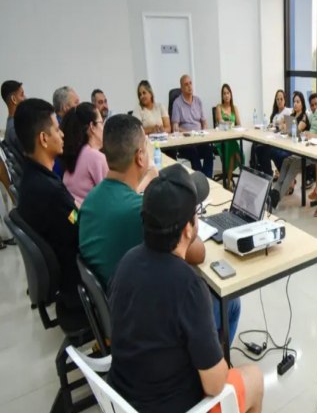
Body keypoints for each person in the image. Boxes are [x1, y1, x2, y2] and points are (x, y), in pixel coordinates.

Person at [108, 164, 263, 413]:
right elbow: (215, 385)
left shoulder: (126, 263)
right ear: (189, 228)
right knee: (253, 378)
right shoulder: (188, 286)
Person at [79, 115, 241, 343]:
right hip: (142, 323)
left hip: (112, 311)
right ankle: (204, 362)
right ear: (140, 157)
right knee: (230, 303)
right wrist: (187, 213)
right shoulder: (140, 212)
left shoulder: (91, 200)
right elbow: (197, 253)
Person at [14, 98, 83, 313]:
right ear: (44, 139)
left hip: (65, 276)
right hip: (77, 283)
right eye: (57, 129)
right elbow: (79, 227)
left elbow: (71, 214)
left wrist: (76, 208)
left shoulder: (32, 178)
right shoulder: (49, 190)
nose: (62, 135)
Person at [268, 91, 310, 209]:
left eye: (298, 102)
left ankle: (275, 199)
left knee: (292, 167)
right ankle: (274, 193)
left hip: (305, 154)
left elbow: (296, 130)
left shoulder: (304, 116)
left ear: (302, 103)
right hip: (295, 152)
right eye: (294, 102)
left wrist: (286, 126)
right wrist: (284, 125)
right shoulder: (292, 115)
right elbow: (283, 128)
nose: (295, 104)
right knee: (286, 162)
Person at [61, 102, 108, 204]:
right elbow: (111, 198)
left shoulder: (75, 154)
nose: (104, 127)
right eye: (101, 122)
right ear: (92, 127)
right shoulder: (96, 158)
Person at [171, 74, 214, 178]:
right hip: (186, 142)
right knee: (193, 153)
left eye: (190, 83)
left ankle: (207, 180)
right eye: (186, 84)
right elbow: (175, 126)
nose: (189, 86)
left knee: (209, 151)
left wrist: (204, 132)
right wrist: (188, 133)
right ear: (181, 88)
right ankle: (200, 181)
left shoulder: (198, 101)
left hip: (199, 139)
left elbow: (204, 121)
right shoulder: (177, 103)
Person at [253, 89, 292, 176]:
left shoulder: (288, 111)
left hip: (282, 143)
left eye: (281, 99)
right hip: (272, 140)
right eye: (277, 99)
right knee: (258, 149)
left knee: (266, 151)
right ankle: (268, 174)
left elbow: (289, 129)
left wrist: (280, 125)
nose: (279, 101)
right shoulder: (275, 114)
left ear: (284, 100)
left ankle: (270, 175)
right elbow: (272, 127)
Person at [215, 83, 244, 187]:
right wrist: (227, 121)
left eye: (228, 93)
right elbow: (220, 122)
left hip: (232, 138)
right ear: (222, 96)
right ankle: (243, 174)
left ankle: (228, 184)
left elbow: (239, 124)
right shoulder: (219, 107)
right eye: (224, 93)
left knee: (233, 152)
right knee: (234, 150)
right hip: (222, 139)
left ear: (231, 95)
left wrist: (232, 124)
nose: (226, 95)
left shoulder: (234, 108)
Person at [1, 80, 26, 176]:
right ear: (14, 99)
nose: (25, 98)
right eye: (22, 95)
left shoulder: (13, 125)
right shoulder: (15, 129)